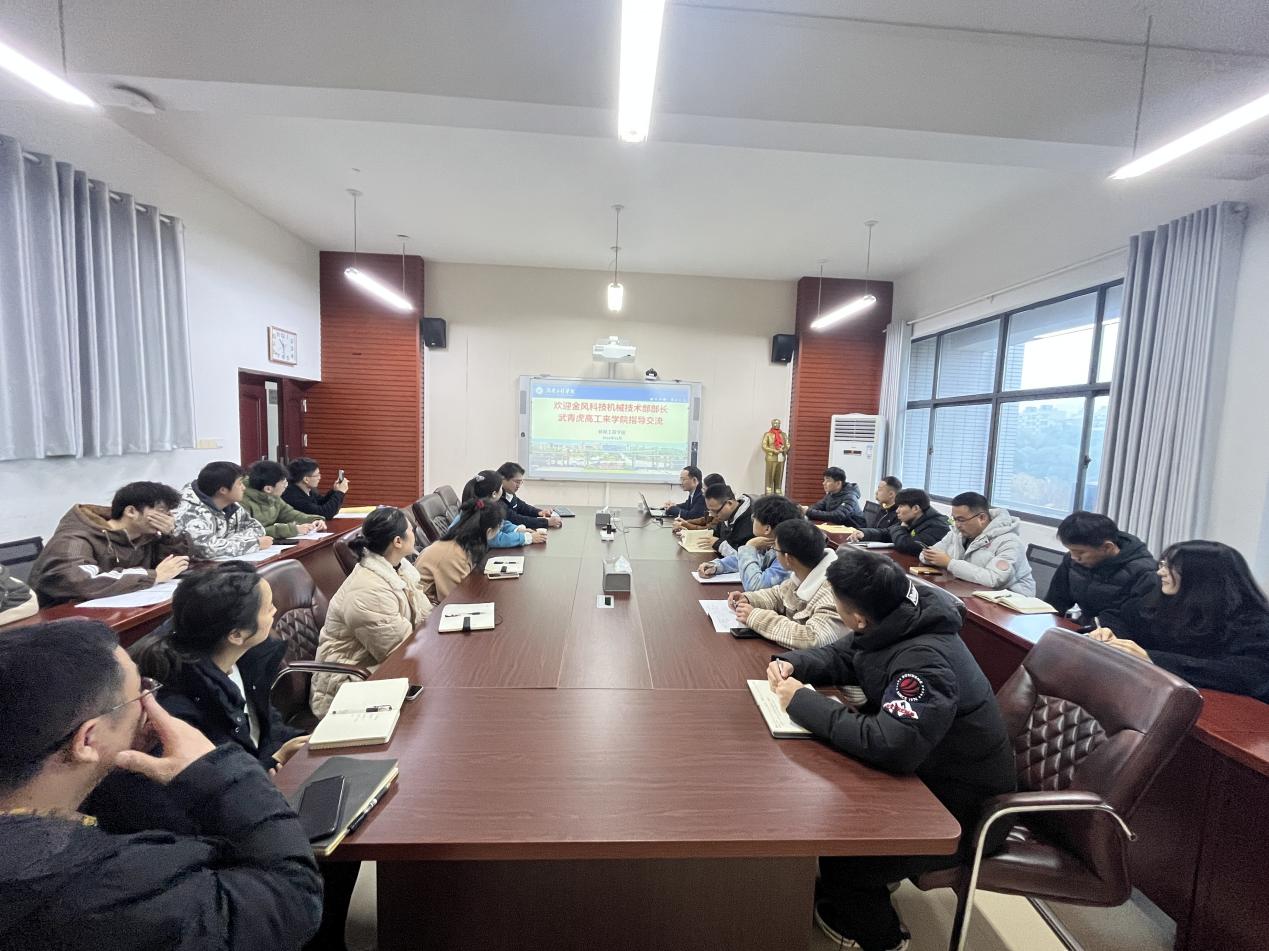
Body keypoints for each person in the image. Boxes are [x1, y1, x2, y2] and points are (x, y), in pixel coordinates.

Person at [0, 619, 323, 950]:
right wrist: (221, 773)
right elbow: (290, 899)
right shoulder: (104, 888)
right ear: (88, 739)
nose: (149, 704)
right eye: (138, 695)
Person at [767, 549, 1014, 951]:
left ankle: (883, 938)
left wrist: (802, 702)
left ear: (858, 618)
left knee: (844, 855)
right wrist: (794, 664)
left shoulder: (926, 661)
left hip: (964, 807)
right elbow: (846, 654)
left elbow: (891, 745)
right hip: (930, 773)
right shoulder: (896, 615)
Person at [1090, 540, 1269, 702]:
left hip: (1222, 709)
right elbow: (1116, 616)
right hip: (1157, 696)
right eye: (1162, 564)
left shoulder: (1253, 623)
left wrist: (1150, 657)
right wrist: (1112, 636)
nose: (1160, 572)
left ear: (1201, 578)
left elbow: (1245, 674)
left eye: (1170, 567)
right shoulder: (1166, 600)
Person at [311, 506, 433, 716]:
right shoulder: (368, 591)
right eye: (411, 530)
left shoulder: (398, 569)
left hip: (379, 666)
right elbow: (399, 652)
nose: (414, 532)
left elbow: (425, 615)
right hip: (347, 683)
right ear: (397, 541)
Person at [28, 482, 190, 607]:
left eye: (169, 513)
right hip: (60, 616)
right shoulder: (74, 539)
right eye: (161, 512)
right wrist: (152, 576)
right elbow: (80, 581)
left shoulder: (146, 536)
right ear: (131, 511)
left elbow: (174, 567)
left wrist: (170, 536)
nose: (168, 519)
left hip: (118, 608)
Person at [728, 519, 845, 649]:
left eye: (775, 549)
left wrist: (755, 617)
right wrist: (749, 599)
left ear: (788, 558)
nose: (774, 552)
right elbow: (779, 595)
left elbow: (813, 638)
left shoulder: (834, 591)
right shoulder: (804, 571)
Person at [1046, 511, 1157, 631]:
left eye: (1080, 552)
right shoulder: (1073, 561)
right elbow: (1056, 601)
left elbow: (1136, 621)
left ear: (1107, 547)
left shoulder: (1144, 572)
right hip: (1085, 627)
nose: (1074, 557)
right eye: (1070, 550)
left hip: (1118, 636)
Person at [919, 492, 1035, 595]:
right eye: (954, 519)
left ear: (982, 518)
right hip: (969, 591)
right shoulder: (957, 533)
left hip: (1012, 602)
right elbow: (926, 554)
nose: (957, 525)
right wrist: (930, 556)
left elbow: (994, 579)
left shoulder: (1009, 542)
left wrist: (949, 563)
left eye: (961, 520)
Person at [698, 494, 800, 590]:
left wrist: (749, 547)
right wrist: (716, 566)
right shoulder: (768, 543)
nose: (752, 520)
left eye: (755, 517)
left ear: (767, 529)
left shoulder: (787, 556)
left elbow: (755, 587)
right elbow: (743, 559)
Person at [173, 461, 272, 559]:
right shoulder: (191, 511)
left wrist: (224, 542)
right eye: (240, 483)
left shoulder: (231, 505)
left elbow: (257, 529)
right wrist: (254, 544)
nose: (244, 488)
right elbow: (208, 550)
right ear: (223, 490)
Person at [416, 498, 507, 602]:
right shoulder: (454, 555)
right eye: (499, 528)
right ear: (489, 531)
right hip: (427, 608)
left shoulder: (461, 543)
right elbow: (455, 601)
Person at [453, 470, 546, 548]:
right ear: (494, 494)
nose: (503, 490)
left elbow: (501, 523)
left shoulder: (484, 507)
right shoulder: (481, 513)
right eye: (501, 487)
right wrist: (527, 538)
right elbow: (497, 539)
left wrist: (517, 529)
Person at [851, 488, 950, 555]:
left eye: (901, 506)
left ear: (915, 508)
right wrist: (864, 533)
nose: (897, 510)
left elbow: (907, 546)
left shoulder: (937, 526)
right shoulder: (912, 519)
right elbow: (887, 532)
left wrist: (901, 528)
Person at [240, 461, 324, 539]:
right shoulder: (242, 502)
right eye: (283, 483)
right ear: (268, 489)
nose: (286, 486)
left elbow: (289, 514)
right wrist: (292, 529)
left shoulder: (273, 497)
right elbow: (249, 532)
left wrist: (314, 520)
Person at [493, 462, 562, 529]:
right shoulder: (496, 498)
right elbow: (515, 519)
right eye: (517, 482)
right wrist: (547, 522)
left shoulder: (509, 493)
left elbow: (522, 507)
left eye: (521, 482)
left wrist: (539, 512)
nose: (519, 486)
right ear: (503, 478)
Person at [283, 457, 349, 519]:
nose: (319, 477)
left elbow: (321, 502)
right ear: (306, 479)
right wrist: (340, 492)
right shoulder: (293, 496)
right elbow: (324, 514)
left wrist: (334, 491)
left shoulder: (307, 490)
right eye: (317, 475)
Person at [705, 483, 755, 553]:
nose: (713, 515)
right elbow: (717, 533)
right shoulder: (726, 516)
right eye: (710, 510)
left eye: (715, 511)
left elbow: (745, 555)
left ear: (729, 503)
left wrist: (719, 545)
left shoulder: (751, 520)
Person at [761, 418, 790, 495]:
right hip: (771, 458)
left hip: (781, 457)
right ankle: (768, 489)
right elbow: (764, 446)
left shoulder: (783, 435)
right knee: (770, 474)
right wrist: (773, 450)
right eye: (775, 423)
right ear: (772, 424)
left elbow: (787, 444)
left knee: (779, 474)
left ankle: (778, 489)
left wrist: (783, 449)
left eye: (778, 423)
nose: (776, 425)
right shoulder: (767, 434)